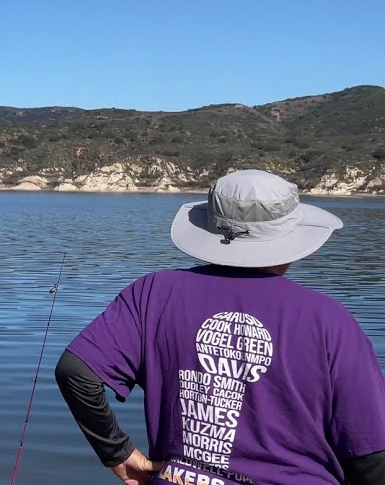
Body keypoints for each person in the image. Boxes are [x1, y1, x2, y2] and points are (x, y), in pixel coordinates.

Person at [56, 169, 385, 485]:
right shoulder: (328, 319)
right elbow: (371, 452)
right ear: (290, 237)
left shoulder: (153, 293)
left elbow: (75, 371)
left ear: (211, 228)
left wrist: (118, 453)